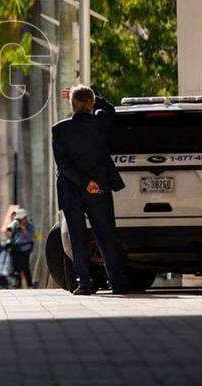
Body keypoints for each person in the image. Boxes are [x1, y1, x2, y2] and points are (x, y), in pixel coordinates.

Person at [52, 85, 129, 295]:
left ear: (72, 104)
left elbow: (63, 165)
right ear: (91, 104)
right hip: (99, 189)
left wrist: (84, 182)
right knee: (105, 237)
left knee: (77, 238)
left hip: (71, 191)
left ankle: (84, 284)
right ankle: (117, 283)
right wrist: (95, 95)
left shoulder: (59, 129)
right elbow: (110, 109)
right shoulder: (100, 123)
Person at [7, 209, 35, 288]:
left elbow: (30, 237)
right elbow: (12, 236)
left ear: (25, 218)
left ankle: (29, 284)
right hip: (17, 249)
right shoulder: (16, 225)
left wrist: (24, 229)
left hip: (26, 248)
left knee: (25, 266)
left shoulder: (30, 225)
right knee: (16, 268)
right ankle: (17, 284)